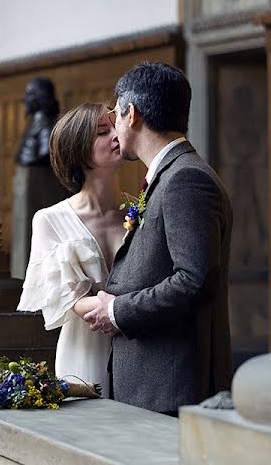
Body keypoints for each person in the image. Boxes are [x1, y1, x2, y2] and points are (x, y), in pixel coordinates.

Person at [85, 61, 233, 415]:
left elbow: (194, 281)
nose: (115, 127)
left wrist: (118, 310)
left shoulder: (186, 179)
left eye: (115, 115)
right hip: (154, 384)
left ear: (131, 113)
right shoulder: (171, 174)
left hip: (171, 387)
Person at [17, 102, 126, 397]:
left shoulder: (139, 209)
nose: (118, 134)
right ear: (78, 150)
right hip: (84, 351)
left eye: (117, 125)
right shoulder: (49, 220)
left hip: (140, 346)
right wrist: (130, 308)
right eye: (104, 131)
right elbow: (74, 302)